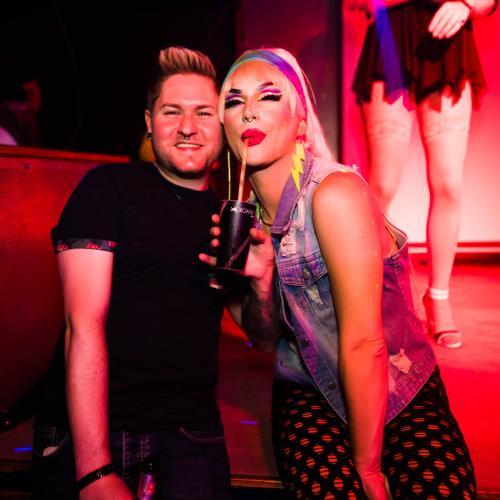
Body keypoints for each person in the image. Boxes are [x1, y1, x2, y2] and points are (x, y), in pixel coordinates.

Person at [213, 47, 476, 499]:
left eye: (268, 96)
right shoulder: (241, 221)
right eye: (235, 101)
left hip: (397, 386)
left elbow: (365, 342)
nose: (249, 110)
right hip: (307, 388)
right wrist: (261, 284)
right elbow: (264, 339)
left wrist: (367, 467)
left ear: (300, 121)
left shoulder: (334, 194)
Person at [32, 46, 231, 499]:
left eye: (203, 112)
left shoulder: (226, 216)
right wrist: (94, 471)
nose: (187, 126)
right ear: (149, 121)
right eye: (171, 111)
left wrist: (260, 280)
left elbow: (261, 332)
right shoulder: (109, 188)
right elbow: (82, 324)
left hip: (191, 430)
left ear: (222, 123)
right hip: (99, 428)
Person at [348, 0, 497, 348]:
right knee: (383, 183)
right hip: (390, 39)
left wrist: (467, 4)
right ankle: (369, 294)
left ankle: (439, 297)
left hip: (448, 43)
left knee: (448, 183)